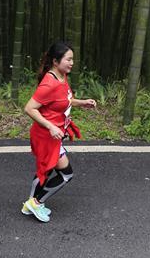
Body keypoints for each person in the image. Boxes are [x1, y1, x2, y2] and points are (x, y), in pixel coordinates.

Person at [21, 42, 97, 222]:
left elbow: (64, 100)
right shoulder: (49, 83)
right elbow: (29, 108)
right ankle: (37, 202)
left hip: (54, 134)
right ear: (56, 61)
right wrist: (51, 126)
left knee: (46, 170)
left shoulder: (62, 76)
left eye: (73, 59)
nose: (72, 63)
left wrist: (82, 102)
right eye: (68, 59)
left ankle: (29, 204)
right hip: (46, 135)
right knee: (66, 174)